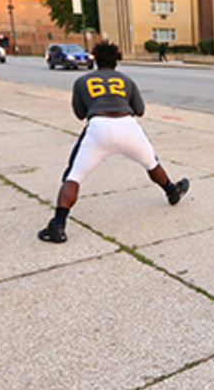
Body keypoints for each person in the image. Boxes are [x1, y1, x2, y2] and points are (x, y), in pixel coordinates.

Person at [38, 40, 188, 243]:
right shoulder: (126, 80)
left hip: (98, 126)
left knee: (74, 176)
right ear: (117, 60)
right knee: (151, 162)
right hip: (127, 125)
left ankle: (58, 224)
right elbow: (140, 111)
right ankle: (172, 190)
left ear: (95, 58)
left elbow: (80, 114)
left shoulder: (82, 81)